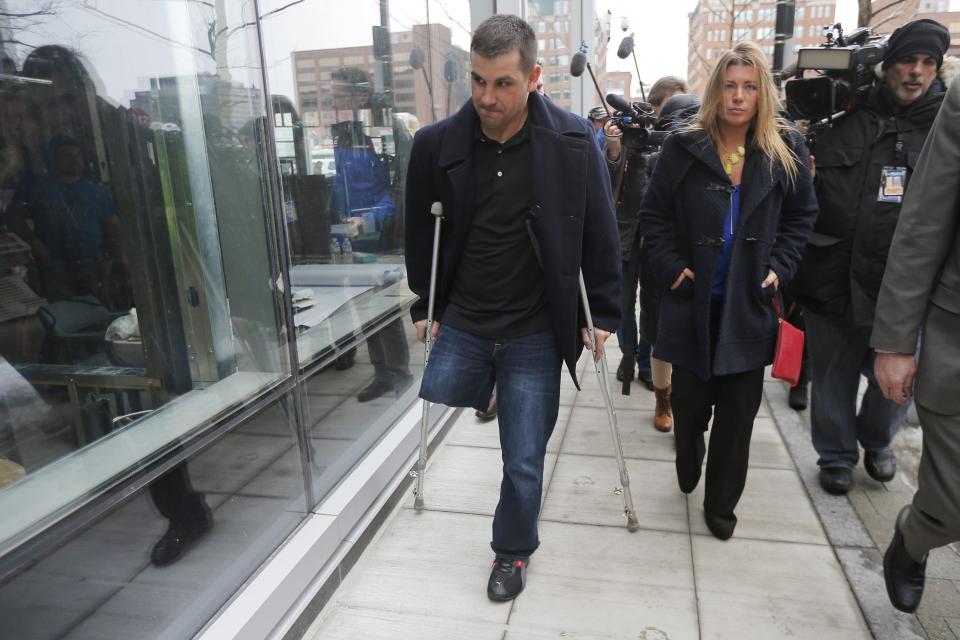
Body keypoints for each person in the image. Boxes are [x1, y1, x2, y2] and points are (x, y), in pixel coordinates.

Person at [404, 15, 619, 601]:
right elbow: (421, 236)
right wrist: (427, 304)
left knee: (523, 459)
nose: (486, 97)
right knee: (441, 384)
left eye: (502, 83)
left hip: (532, 328)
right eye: (477, 81)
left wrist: (601, 314)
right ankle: (490, 385)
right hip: (468, 318)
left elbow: (601, 233)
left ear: (533, 78)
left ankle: (512, 552)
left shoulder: (574, 143)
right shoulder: (434, 146)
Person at [640, 41, 817, 540]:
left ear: (763, 93)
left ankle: (721, 507)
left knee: (737, 422)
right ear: (717, 90)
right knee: (692, 407)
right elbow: (653, 216)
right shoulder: (684, 145)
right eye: (730, 86)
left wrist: (780, 266)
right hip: (695, 302)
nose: (738, 97)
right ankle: (688, 452)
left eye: (750, 87)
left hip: (749, 304)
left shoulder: (786, 147)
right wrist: (671, 266)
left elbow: (803, 216)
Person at [791, 19, 951, 495]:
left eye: (927, 63)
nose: (916, 72)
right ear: (886, 68)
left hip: (907, 291)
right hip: (833, 277)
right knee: (833, 379)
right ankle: (835, 455)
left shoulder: (949, 130)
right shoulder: (840, 118)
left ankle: (878, 442)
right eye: (907, 61)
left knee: (897, 388)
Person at [872, 77, 960, 614]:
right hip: (955, 340)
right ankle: (915, 537)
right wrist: (896, 341)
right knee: (952, 504)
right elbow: (924, 221)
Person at [329, 67, 413, 402]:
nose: (333, 103)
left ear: (361, 96)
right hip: (351, 237)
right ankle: (382, 374)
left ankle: (399, 375)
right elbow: (342, 185)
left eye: (339, 97)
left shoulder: (385, 133)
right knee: (364, 310)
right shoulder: (347, 135)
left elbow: (398, 190)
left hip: (380, 238)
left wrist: (370, 220)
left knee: (384, 311)